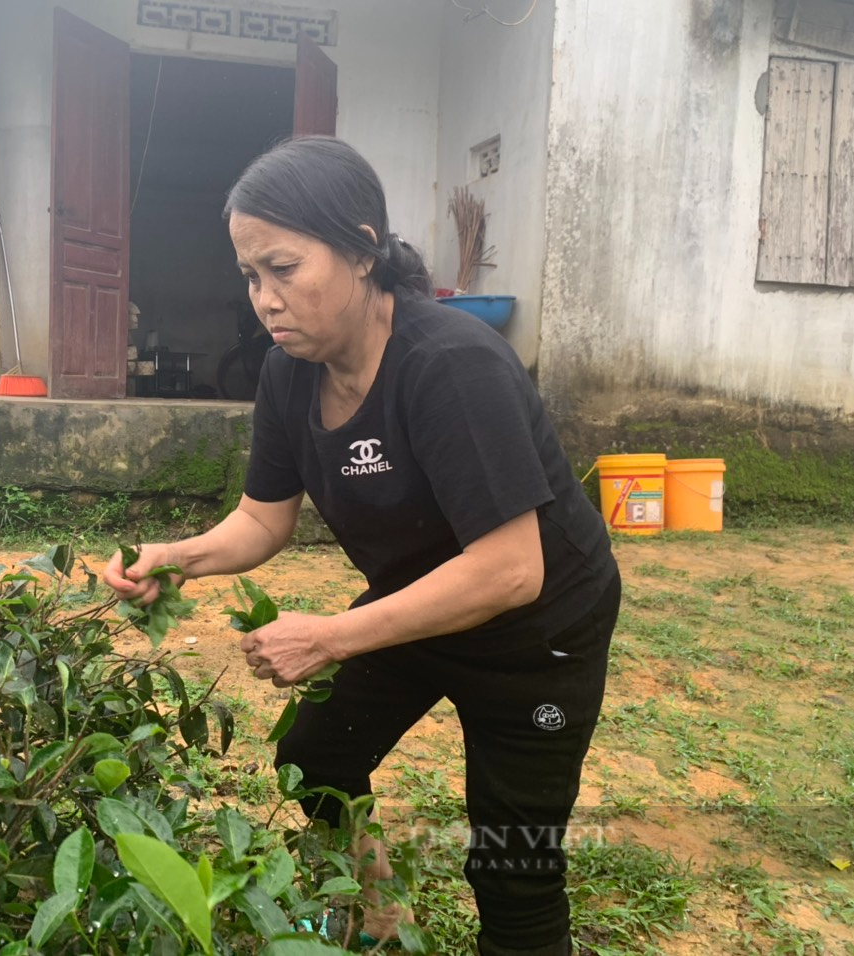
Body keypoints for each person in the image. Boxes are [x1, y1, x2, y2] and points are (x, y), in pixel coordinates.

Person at [103, 136, 620, 956]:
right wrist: (177, 556)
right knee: (313, 756)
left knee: (512, 864)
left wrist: (331, 635)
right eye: (250, 277)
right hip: (418, 605)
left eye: (284, 267)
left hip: (536, 634)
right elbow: (263, 521)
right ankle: (375, 906)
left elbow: (512, 570)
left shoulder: (451, 367)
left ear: (362, 247)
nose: (265, 299)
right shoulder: (288, 373)